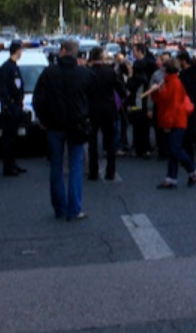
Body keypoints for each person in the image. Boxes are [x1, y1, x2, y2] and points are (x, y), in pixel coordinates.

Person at [33, 39, 96, 221]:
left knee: (56, 166)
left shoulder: (49, 73)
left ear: (62, 51)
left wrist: (43, 119)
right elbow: (93, 98)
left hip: (54, 124)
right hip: (77, 124)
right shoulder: (84, 74)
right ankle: (74, 209)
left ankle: (59, 208)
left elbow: (38, 99)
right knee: (75, 166)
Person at [151, 58, 196, 189]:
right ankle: (172, 177)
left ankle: (192, 169)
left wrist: (168, 124)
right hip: (172, 119)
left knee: (175, 148)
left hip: (176, 121)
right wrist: (155, 91)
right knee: (171, 150)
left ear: (167, 70)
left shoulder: (174, 83)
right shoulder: (169, 82)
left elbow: (173, 106)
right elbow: (161, 100)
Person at [87, 47, 127, 181]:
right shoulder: (110, 72)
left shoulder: (88, 72)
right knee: (110, 141)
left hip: (92, 109)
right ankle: (110, 171)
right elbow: (121, 89)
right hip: (108, 109)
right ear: (102, 58)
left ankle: (93, 171)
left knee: (92, 142)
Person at [0, 41, 27, 176]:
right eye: (21, 50)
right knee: (8, 139)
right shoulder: (6, 68)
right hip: (10, 108)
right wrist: (8, 107)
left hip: (16, 107)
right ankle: (8, 167)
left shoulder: (14, 67)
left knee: (13, 138)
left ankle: (13, 164)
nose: (21, 53)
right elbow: (3, 90)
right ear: (17, 51)